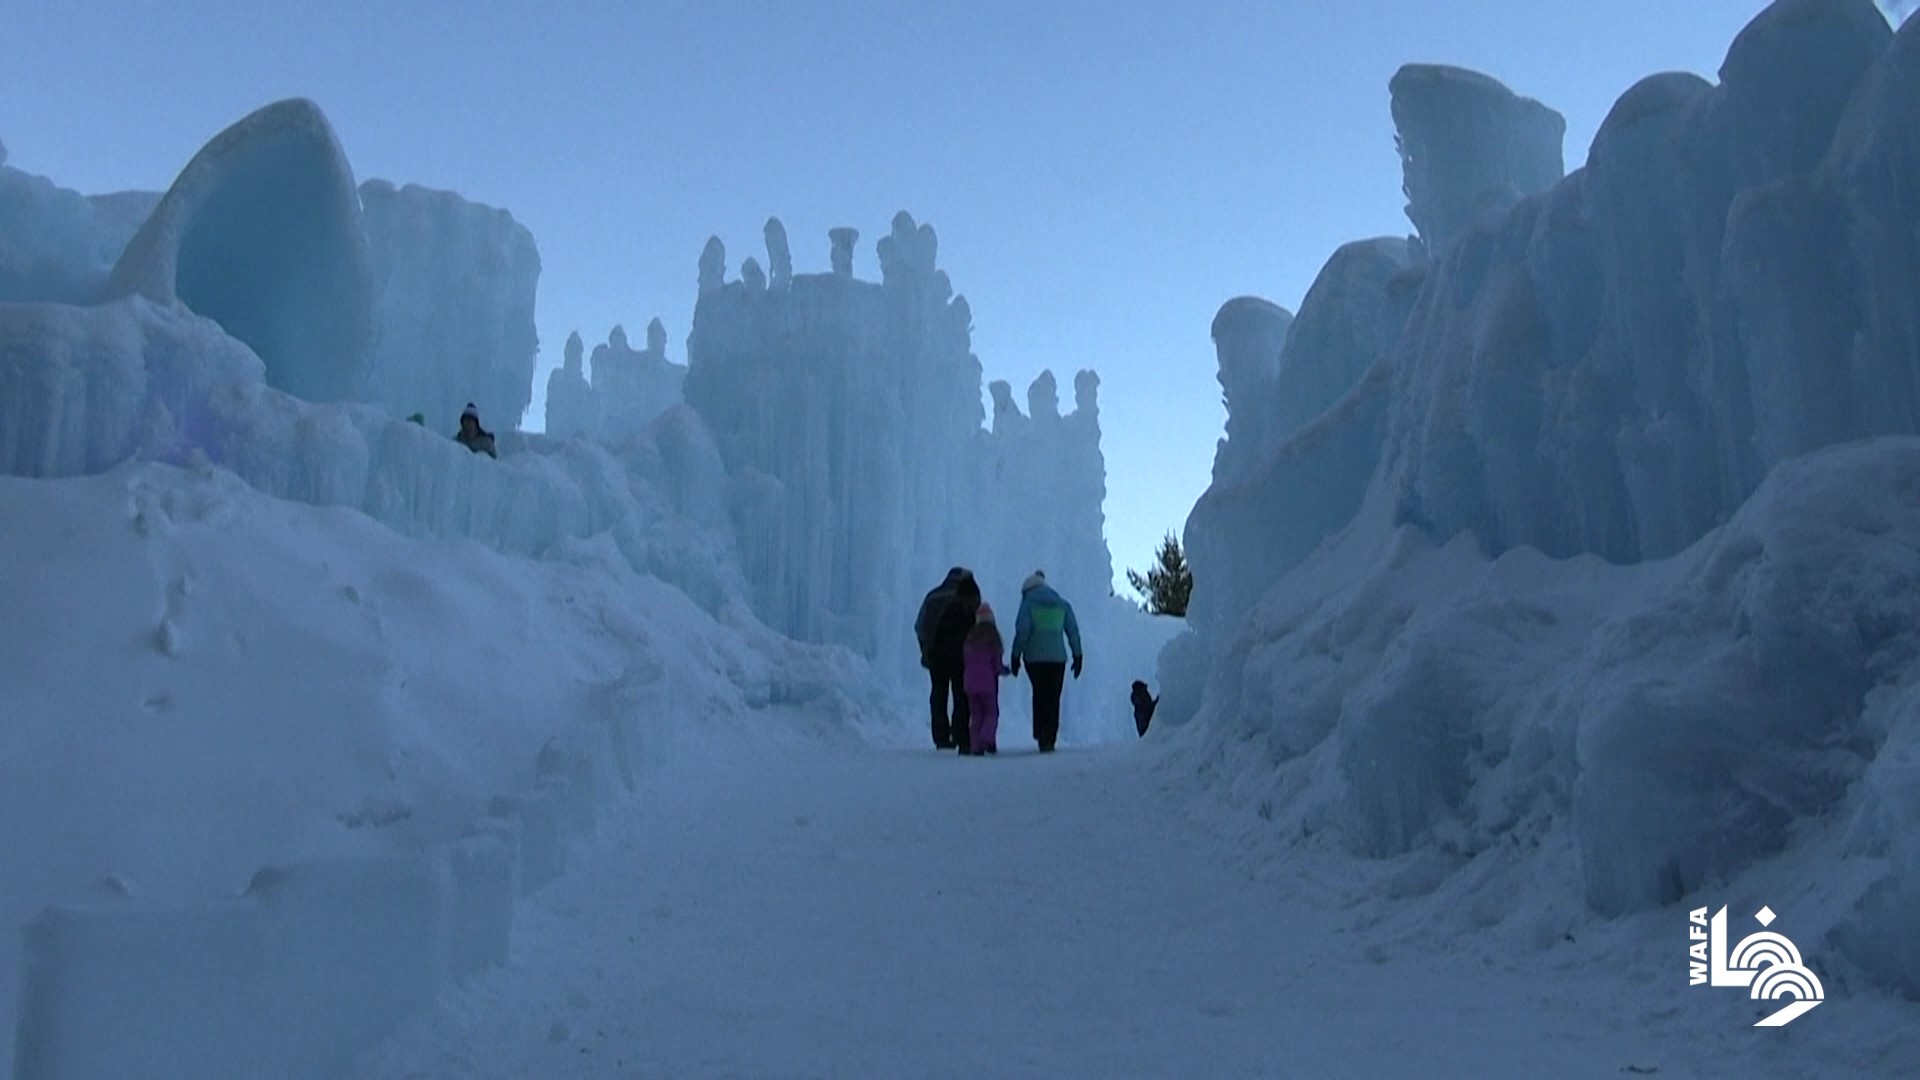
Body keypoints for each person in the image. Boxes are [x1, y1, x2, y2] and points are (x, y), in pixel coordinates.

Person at [1010, 570, 1082, 753]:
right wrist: (1078, 655)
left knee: (1040, 694)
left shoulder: (1028, 603)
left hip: (1034, 659)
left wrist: (1015, 655)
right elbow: (1073, 631)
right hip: (1058, 659)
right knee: (1053, 697)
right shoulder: (1061, 604)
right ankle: (1050, 737)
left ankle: (1041, 733)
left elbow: (1022, 631)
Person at [915, 567, 980, 751]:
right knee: (961, 694)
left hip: (936, 654)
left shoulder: (932, 596)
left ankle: (941, 736)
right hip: (960, 655)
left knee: (938, 693)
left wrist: (925, 648)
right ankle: (960, 734)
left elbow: (920, 626)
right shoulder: (966, 598)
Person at [962, 603, 1010, 756]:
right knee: (991, 713)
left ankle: (976, 746)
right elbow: (997, 665)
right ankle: (986, 738)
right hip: (987, 683)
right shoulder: (993, 638)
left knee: (976, 715)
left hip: (970, 682)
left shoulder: (970, 637)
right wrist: (1006, 670)